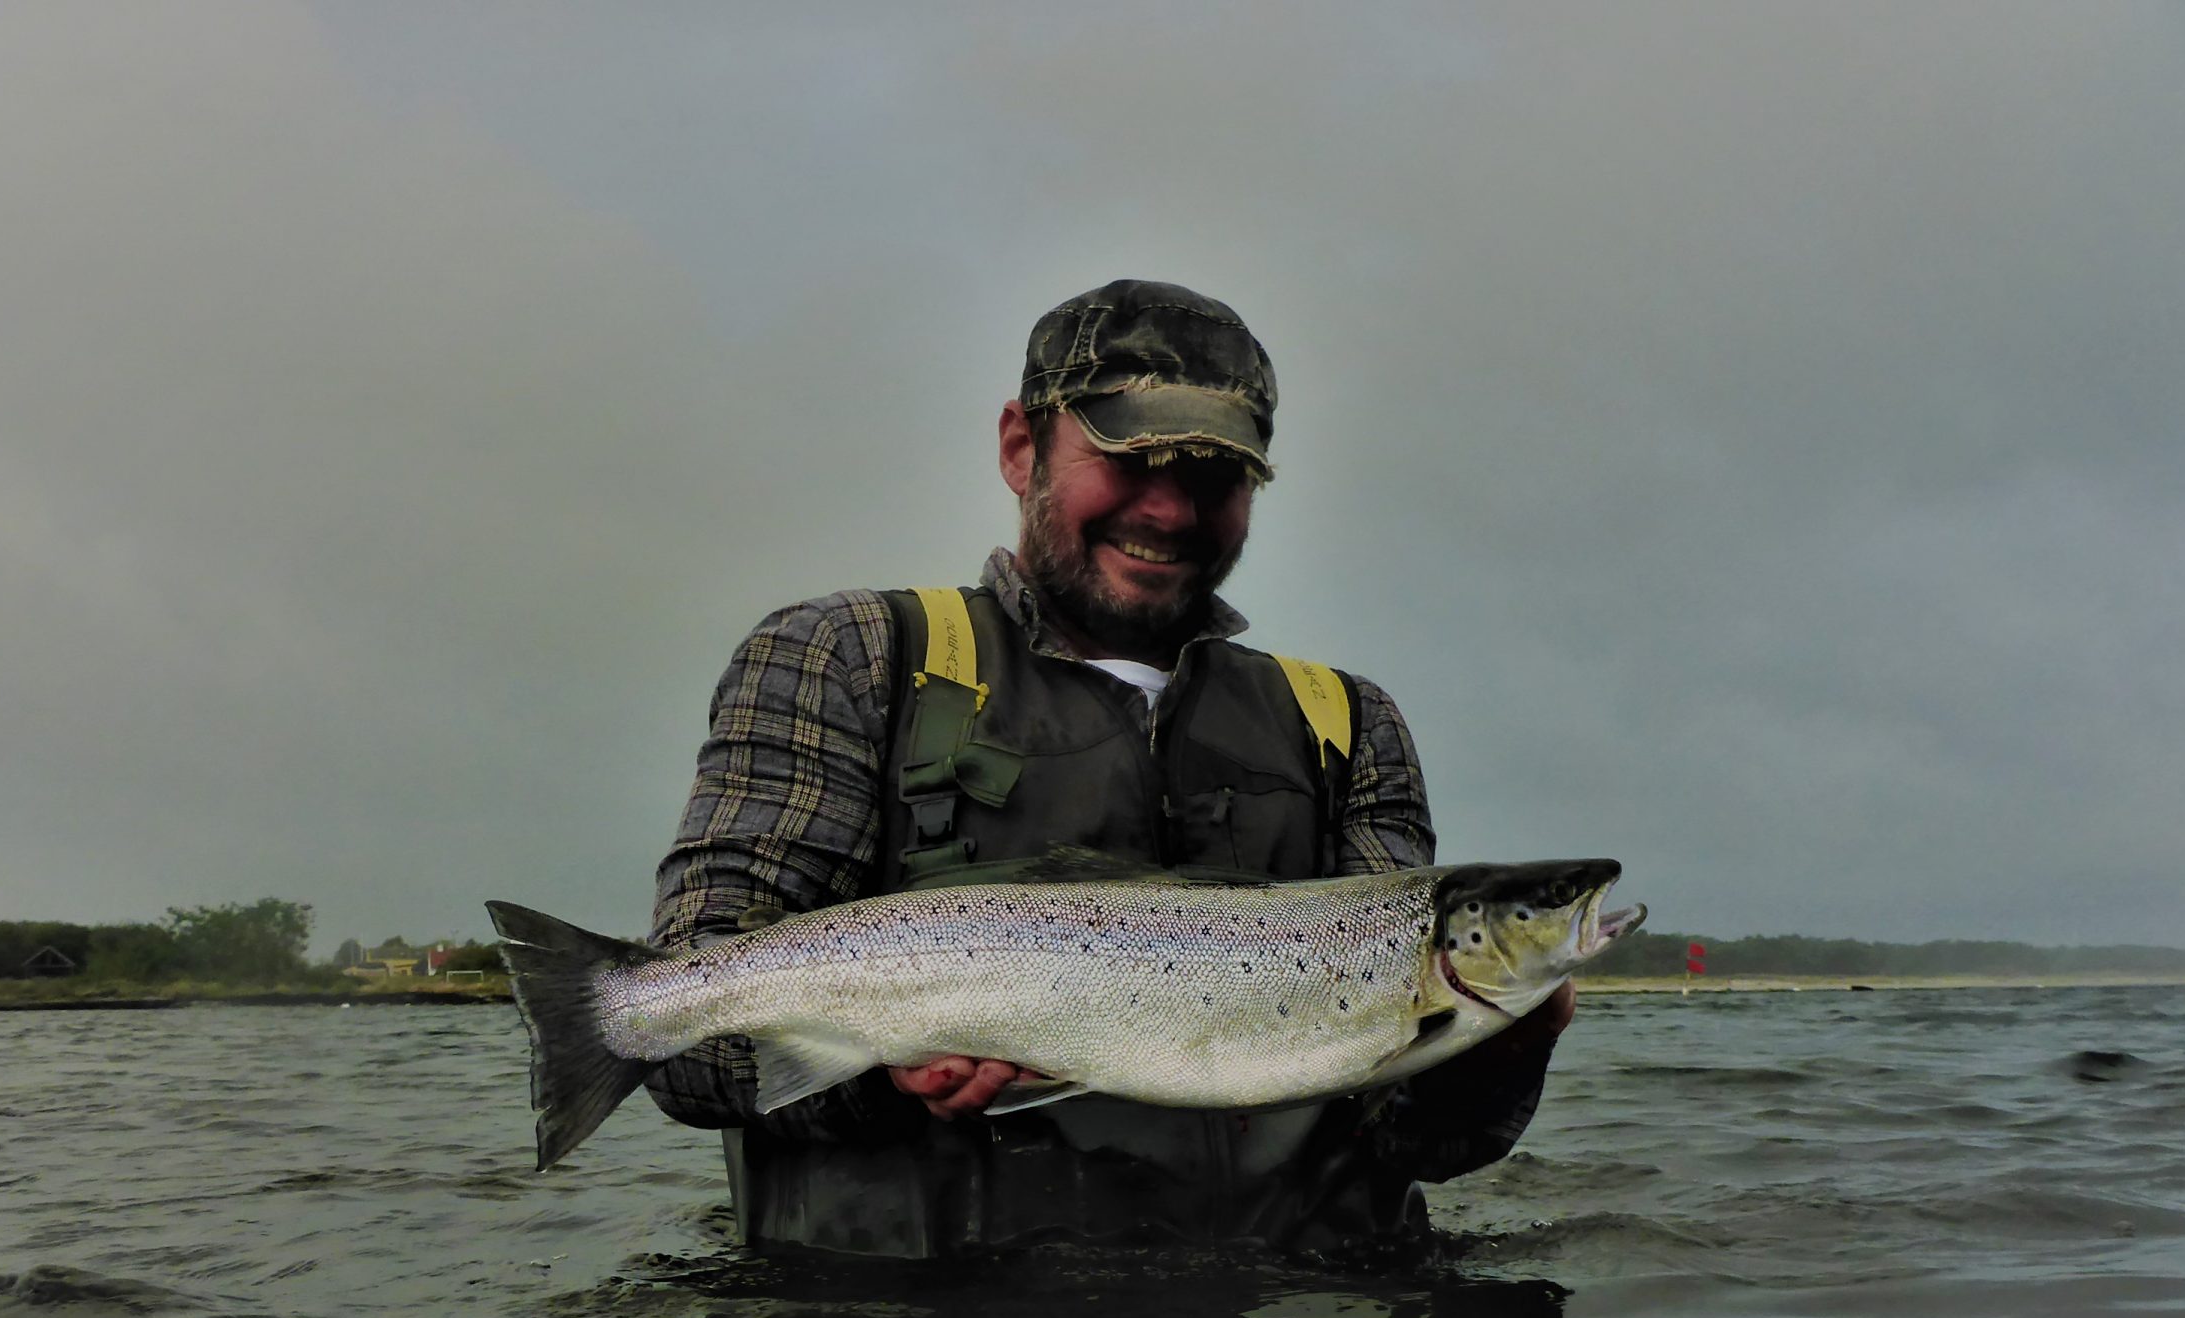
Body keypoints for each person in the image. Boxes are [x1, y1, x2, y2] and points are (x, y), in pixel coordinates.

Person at [644, 279, 1572, 1257]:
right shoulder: (846, 656)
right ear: (1019, 447)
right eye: (1130, 458)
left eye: (1214, 472)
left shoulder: (1346, 722)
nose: (1169, 508)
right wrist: (871, 1070)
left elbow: (1420, 1137)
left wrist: (1507, 1044)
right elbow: (680, 1044)